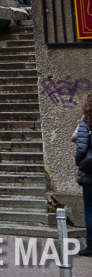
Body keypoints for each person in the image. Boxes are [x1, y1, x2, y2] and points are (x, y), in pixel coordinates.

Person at [74, 93, 92, 257]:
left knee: (90, 209)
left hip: (90, 172)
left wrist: (79, 162)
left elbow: (81, 147)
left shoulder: (86, 122)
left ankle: (91, 245)